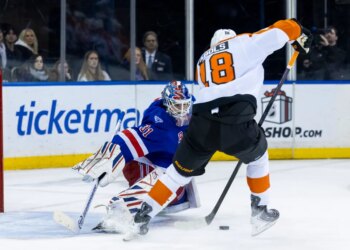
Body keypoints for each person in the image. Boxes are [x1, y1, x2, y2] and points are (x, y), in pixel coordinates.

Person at [82, 18, 311, 239]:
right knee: (259, 155)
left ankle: (144, 215)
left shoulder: (203, 59)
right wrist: (298, 30)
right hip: (234, 119)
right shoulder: (243, 43)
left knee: (177, 173)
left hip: (201, 123)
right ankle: (260, 211)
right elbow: (280, 30)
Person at [73, 80, 199, 233]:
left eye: (185, 105)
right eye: (177, 106)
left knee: (169, 177)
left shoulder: (195, 118)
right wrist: (110, 155)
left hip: (177, 189)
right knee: (144, 168)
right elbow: (129, 139)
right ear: (167, 104)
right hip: (157, 172)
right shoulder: (161, 126)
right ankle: (122, 211)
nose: (182, 111)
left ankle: (130, 208)